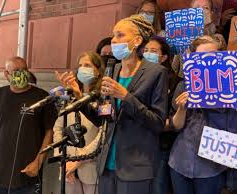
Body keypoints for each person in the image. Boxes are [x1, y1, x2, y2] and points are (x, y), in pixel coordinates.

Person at [75, 14, 168, 194]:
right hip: (107, 162)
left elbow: (157, 122)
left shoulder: (156, 73)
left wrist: (126, 97)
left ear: (137, 40)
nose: (114, 40)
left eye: (120, 35)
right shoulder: (113, 69)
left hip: (135, 166)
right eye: (113, 35)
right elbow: (103, 118)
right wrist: (80, 97)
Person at [0, 56, 57, 194]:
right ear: (6, 74)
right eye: (16, 70)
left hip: (28, 177)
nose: (21, 73)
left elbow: (49, 132)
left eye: (24, 69)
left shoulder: (42, 98)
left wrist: (38, 161)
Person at [169, 36, 231, 194]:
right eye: (201, 57)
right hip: (180, 161)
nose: (207, 61)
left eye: (213, 56)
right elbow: (176, 127)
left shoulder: (231, 88)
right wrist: (182, 108)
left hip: (212, 166)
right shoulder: (183, 85)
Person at [54, 51, 105, 194]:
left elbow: (103, 134)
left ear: (98, 71)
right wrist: (61, 158)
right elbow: (58, 128)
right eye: (80, 65)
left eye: (87, 65)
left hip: (89, 168)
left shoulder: (102, 98)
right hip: (67, 168)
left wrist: (78, 161)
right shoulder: (70, 97)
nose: (82, 68)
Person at [143, 36, 181, 194]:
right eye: (145, 51)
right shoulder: (140, 78)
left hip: (162, 146)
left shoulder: (174, 82)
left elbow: (173, 121)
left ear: (164, 57)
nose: (147, 54)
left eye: (153, 51)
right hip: (141, 145)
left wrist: (151, 121)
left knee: (159, 188)